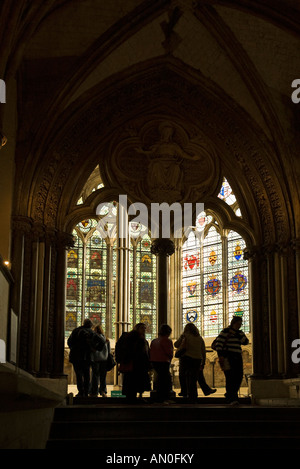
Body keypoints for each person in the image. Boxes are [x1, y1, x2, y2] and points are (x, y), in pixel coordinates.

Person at [214, 315, 249, 405]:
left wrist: (237, 333)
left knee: (239, 377)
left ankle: (230, 395)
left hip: (237, 357)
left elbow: (245, 342)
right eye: (238, 323)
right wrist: (221, 356)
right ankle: (232, 398)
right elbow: (218, 345)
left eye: (240, 324)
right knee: (230, 378)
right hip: (228, 357)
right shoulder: (225, 331)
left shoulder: (239, 333)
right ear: (233, 323)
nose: (239, 325)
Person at [67, 318, 105, 397]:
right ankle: (86, 392)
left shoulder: (76, 331)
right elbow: (102, 341)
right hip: (87, 357)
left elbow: (69, 342)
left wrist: (73, 349)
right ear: (90, 325)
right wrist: (95, 349)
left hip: (76, 357)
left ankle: (81, 392)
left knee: (78, 375)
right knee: (86, 375)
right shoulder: (91, 332)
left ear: (83, 324)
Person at [116, 323, 151, 403]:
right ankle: (133, 397)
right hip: (135, 364)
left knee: (132, 381)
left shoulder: (136, 338)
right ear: (137, 328)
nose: (144, 330)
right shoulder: (134, 338)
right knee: (133, 382)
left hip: (135, 364)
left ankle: (133, 397)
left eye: (145, 328)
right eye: (142, 328)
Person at [174, 323, 205, 403]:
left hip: (186, 359)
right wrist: (203, 362)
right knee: (193, 380)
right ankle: (193, 397)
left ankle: (185, 393)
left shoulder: (185, 336)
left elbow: (176, 345)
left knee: (183, 377)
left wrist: (181, 337)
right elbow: (203, 351)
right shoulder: (199, 338)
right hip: (197, 360)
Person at [150, 324, 174, 403]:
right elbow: (169, 353)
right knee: (165, 380)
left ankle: (158, 398)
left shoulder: (154, 341)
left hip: (154, 362)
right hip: (163, 362)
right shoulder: (167, 340)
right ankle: (165, 398)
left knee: (158, 379)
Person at [90, 324, 110, 398]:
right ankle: (103, 391)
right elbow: (109, 351)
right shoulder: (106, 339)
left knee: (95, 376)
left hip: (95, 359)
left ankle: (94, 392)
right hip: (104, 360)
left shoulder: (94, 338)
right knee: (103, 376)